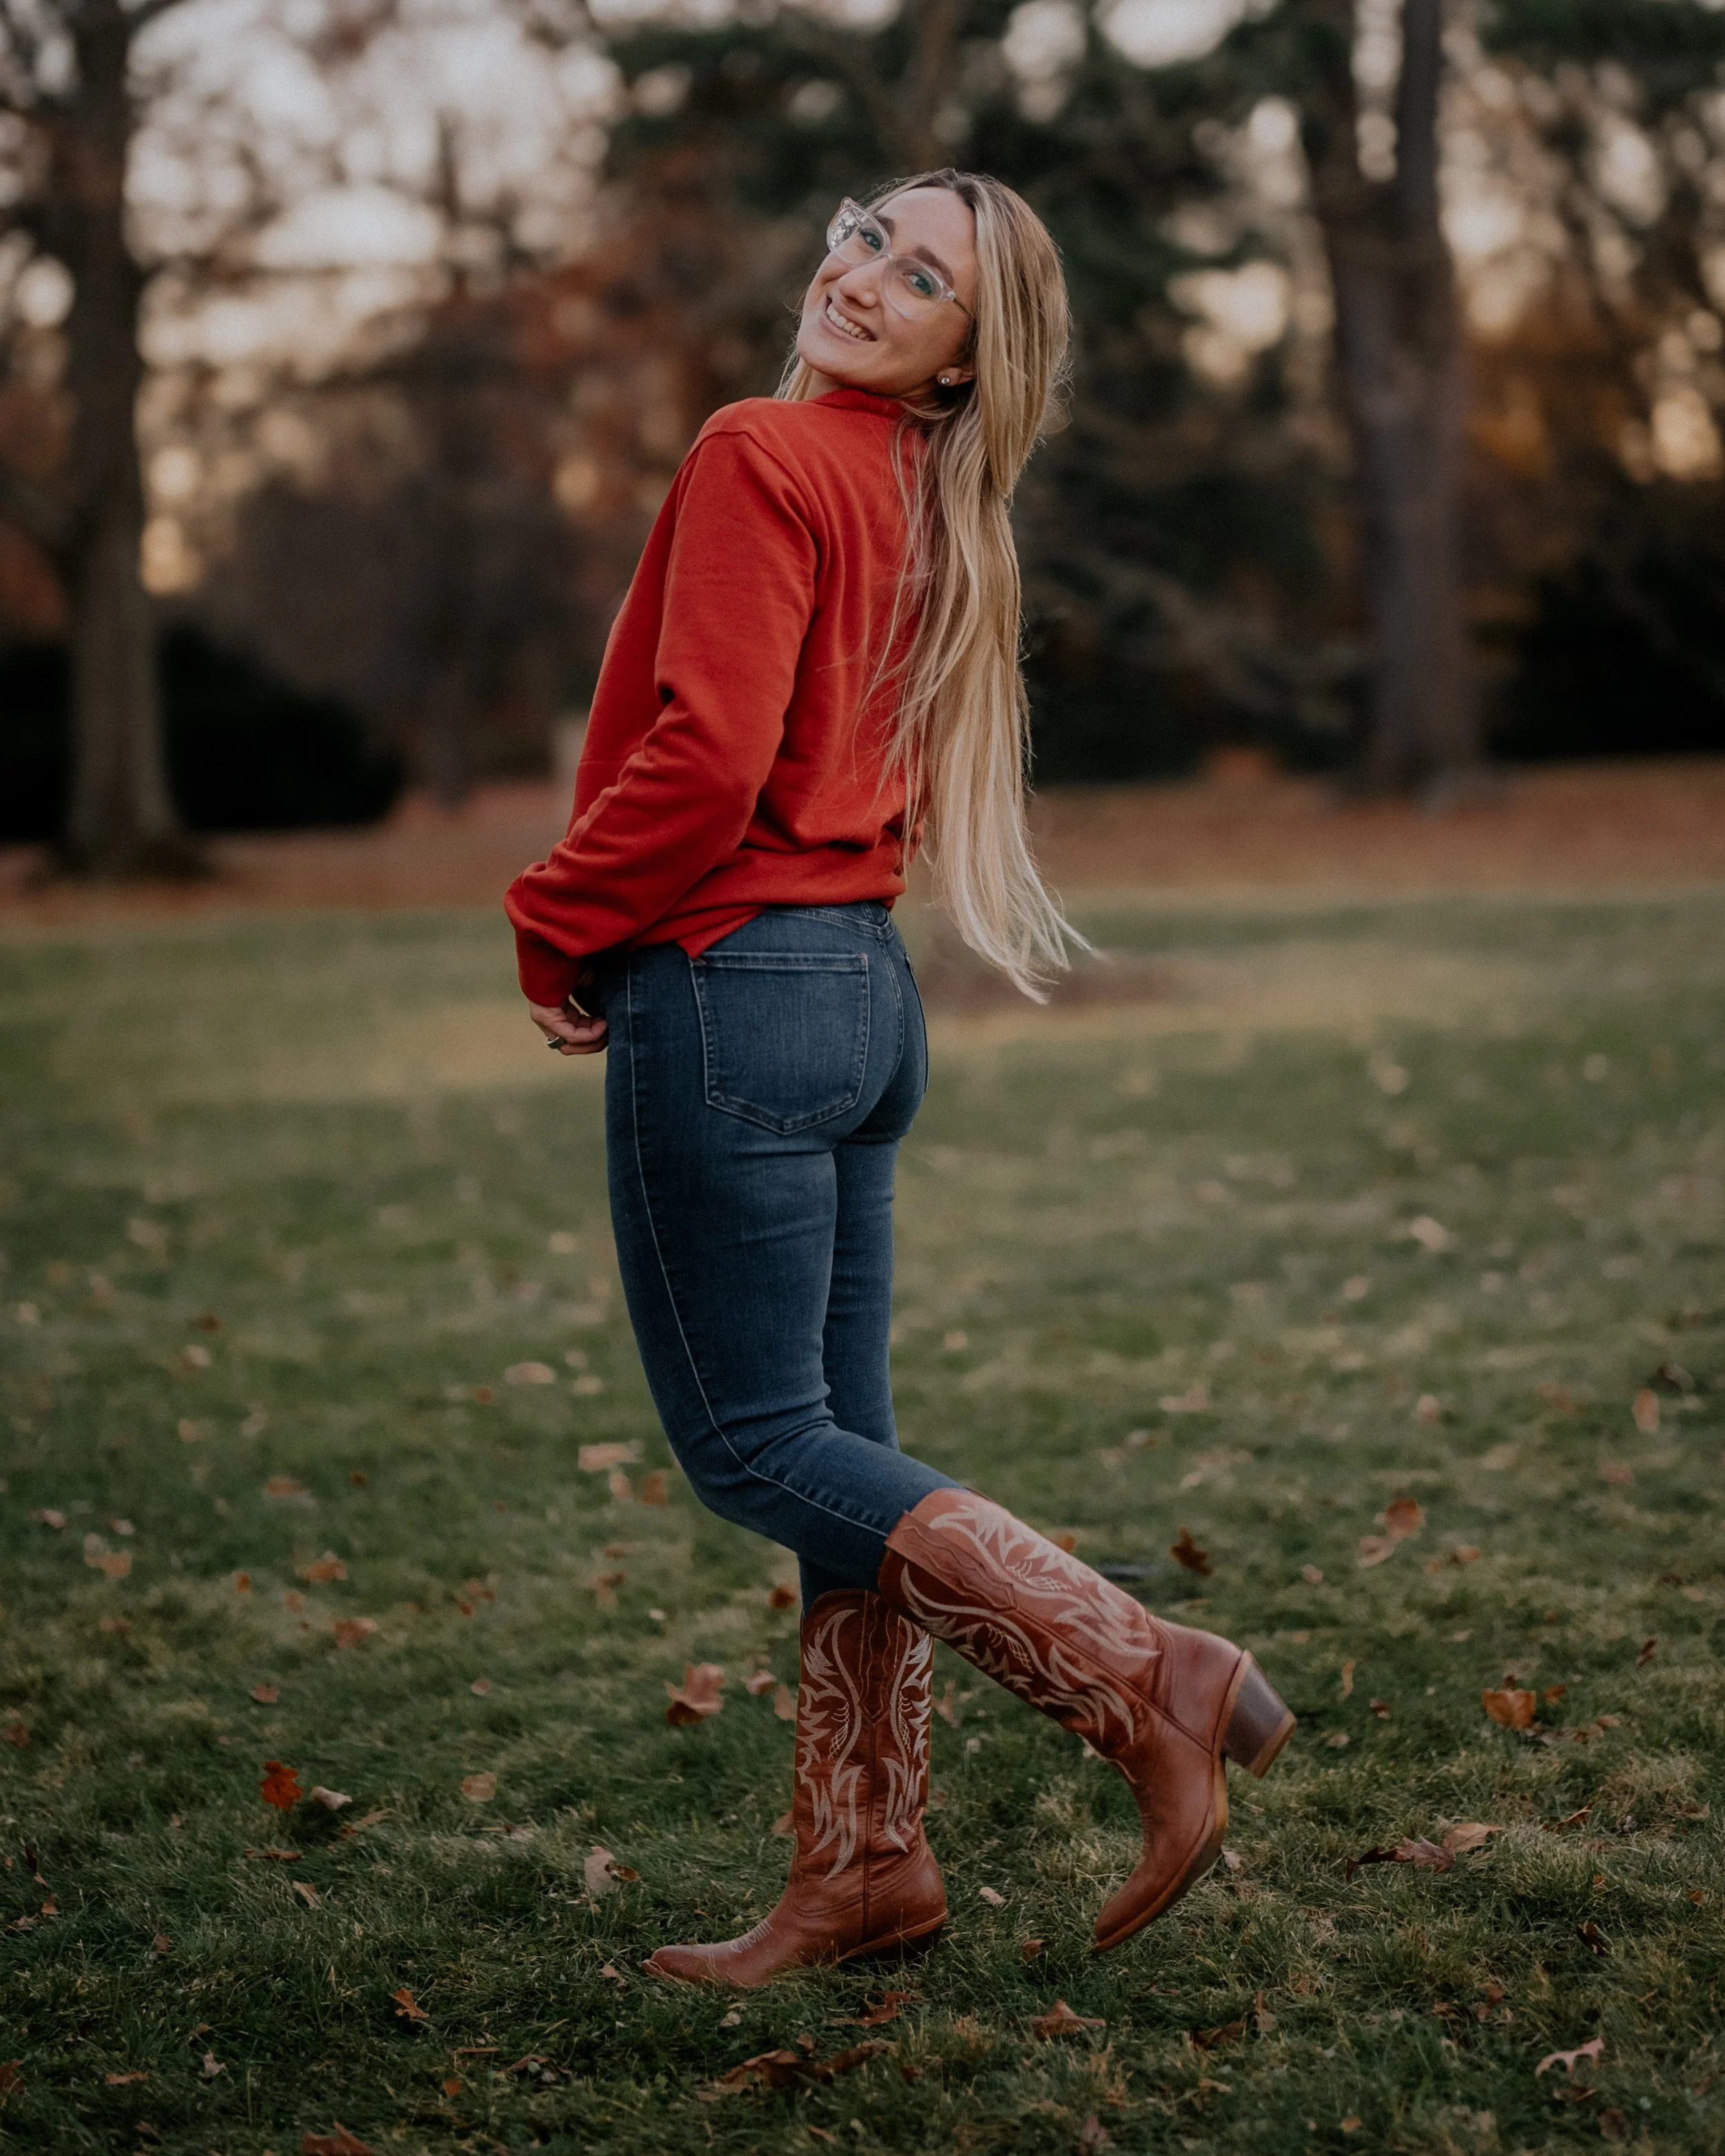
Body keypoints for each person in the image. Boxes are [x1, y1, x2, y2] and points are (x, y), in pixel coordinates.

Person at [505, 170, 1293, 1987]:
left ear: (956, 360)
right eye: (862, 232)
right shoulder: (925, 501)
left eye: (915, 277)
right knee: (842, 1458)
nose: (855, 273)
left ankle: (1142, 1674)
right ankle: (865, 1862)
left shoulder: (757, 449)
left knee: (760, 1445)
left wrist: (554, 917)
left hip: (736, 983)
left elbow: (704, 761)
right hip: (859, 991)